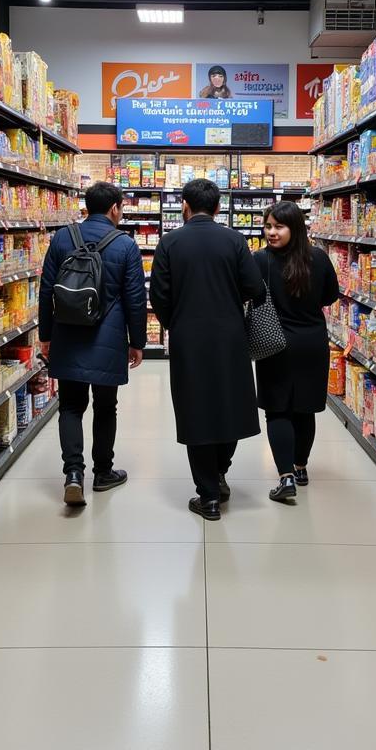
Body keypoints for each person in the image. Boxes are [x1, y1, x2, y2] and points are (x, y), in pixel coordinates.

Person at [149, 178, 263, 520]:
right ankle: (221, 470)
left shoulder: (169, 243)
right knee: (230, 403)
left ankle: (208, 495)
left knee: (195, 409)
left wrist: (176, 323)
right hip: (230, 337)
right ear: (217, 208)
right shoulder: (235, 240)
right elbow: (255, 287)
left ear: (185, 205)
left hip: (188, 339)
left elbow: (158, 297)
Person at [39, 182, 147, 506]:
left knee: (70, 406)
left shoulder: (62, 237)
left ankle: (73, 474)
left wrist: (46, 336)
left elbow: (47, 291)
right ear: (115, 208)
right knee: (105, 406)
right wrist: (137, 341)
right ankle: (103, 473)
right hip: (108, 338)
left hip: (68, 335)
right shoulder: (125, 245)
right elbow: (135, 299)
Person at [253, 200, 340, 503]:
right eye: (268, 226)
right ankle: (300, 468)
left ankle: (286, 476)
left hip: (274, 344)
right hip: (313, 343)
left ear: (295, 228)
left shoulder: (260, 261)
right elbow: (330, 296)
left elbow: (247, 295)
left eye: (278, 226)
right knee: (304, 409)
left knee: (279, 410)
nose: (271, 232)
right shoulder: (319, 258)